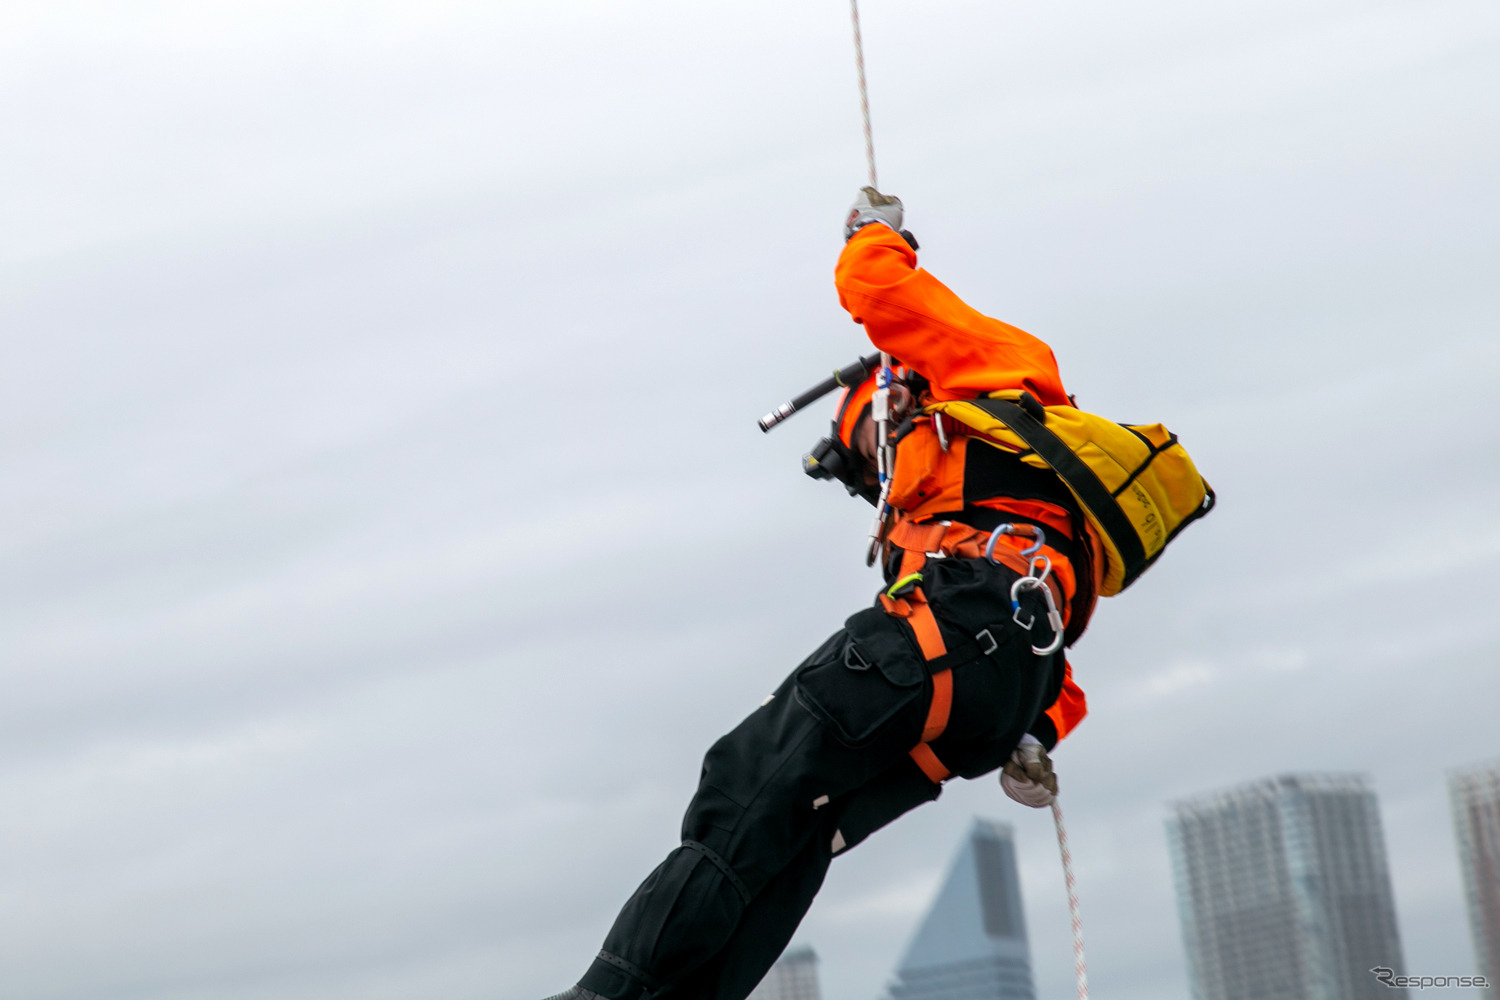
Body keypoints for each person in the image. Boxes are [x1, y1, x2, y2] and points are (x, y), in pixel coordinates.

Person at [543, 188, 1096, 1000]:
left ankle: (603, 995)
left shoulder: (993, 375)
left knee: (744, 781)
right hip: (982, 702)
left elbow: (877, 292)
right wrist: (1037, 729)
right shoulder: (1009, 512)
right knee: (795, 834)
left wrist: (872, 233)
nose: (872, 472)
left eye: (866, 443)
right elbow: (1056, 670)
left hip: (947, 645)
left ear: (895, 394)